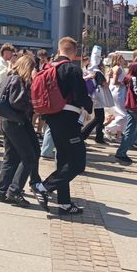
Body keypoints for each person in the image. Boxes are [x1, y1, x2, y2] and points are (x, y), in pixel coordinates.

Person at [39, 37, 93, 215]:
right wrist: (89, 106)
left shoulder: (48, 67)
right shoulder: (72, 69)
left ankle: (64, 203)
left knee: (63, 161)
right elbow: (80, 96)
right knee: (77, 162)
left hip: (52, 118)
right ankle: (44, 187)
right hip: (68, 119)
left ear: (59, 49)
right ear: (74, 52)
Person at [0, 54, 47, 207]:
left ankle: (2, 191)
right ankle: (14, 190)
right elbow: (16, 102)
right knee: (28, 156)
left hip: (9, 120)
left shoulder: (9, 77)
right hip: (16, 121)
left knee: (11, 157)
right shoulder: (18, 80)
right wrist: (32, 104)